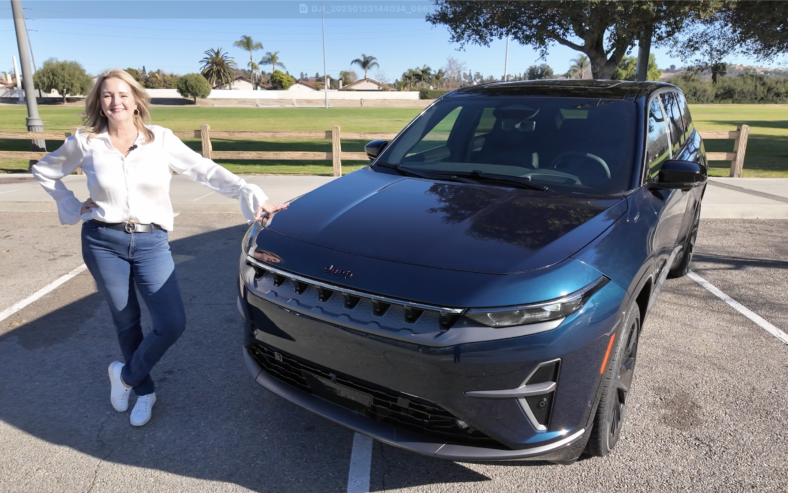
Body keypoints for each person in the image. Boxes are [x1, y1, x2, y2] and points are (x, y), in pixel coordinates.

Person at [31, 68, 287, 427]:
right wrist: (73, 207)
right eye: (107, 95)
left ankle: (125, 375)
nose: (115, 101)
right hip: (103, 241)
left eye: (122, 94)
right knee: (126, 320)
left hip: (151, 241)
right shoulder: (86, 142)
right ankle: (145, 390)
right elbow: (44, 170)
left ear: (136, 100)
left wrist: (251, 195)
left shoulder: (161, 140)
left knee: (171, 323)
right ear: (99, 104)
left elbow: (205, 171)